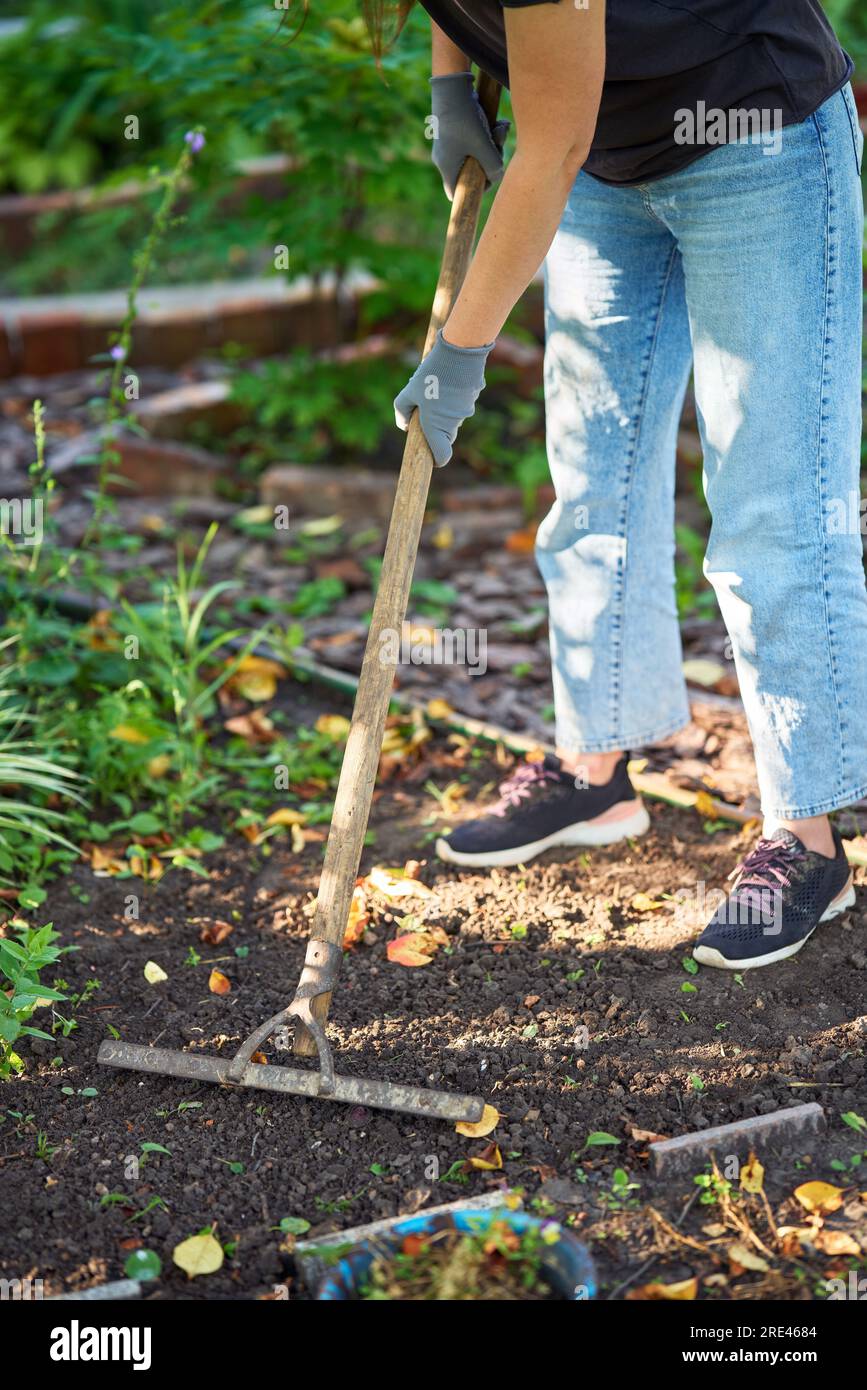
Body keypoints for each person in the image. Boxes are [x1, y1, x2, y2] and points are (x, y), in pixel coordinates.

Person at [388, 1, 867, 970]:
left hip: (753, 132)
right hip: (607, 155)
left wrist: (459, 351)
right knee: (590, 476)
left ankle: (811, 835)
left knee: (774, 506)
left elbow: (550, 144)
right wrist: (452, 81)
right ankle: (594, 766)